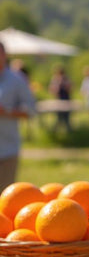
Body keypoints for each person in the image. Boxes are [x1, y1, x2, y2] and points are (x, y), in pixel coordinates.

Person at [0, 42, 36, 192]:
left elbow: (31, 110)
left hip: (7, 150)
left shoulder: (17, 80)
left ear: (4, 55)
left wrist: (6, 111)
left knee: (4, 199)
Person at [48, 65, 72, 133]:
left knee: (66, 116)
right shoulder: (55, 79)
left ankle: (68, 130)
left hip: (65, 98)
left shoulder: (66, 79)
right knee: (58, 116)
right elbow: (51, 89)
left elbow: (69, 88)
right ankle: (55, 131)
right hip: (58, 99)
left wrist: (63, 85)